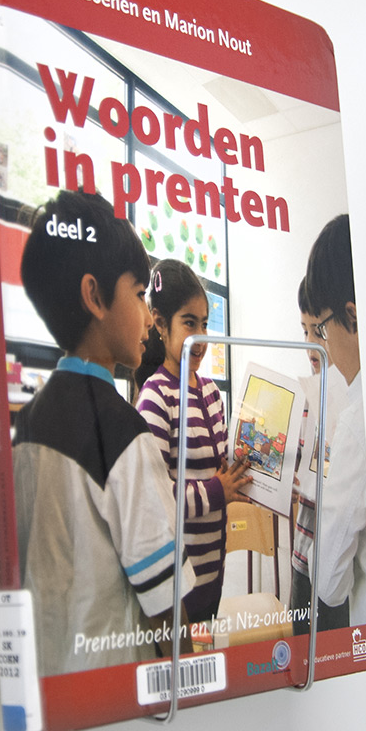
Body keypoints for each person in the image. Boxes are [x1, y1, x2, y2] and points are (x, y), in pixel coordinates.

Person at [12, 190, 192, 676]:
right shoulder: (123, 434)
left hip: (50, 680)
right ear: (95, 296)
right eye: (139, 295)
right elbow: (167, 608)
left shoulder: (26, 424)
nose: (149, 320)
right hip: (117, 686)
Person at [134, 259, 251, 626]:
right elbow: (154, 498)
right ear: (159, 323)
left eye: (204, 324)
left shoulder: (212, 392)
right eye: (189, 323)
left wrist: (262, 471)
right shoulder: (155, 398)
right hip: (178, 589)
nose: (201, 336)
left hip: (213, 578)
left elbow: (223, 467)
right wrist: (218, 490)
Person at [289, 214, 366, 631]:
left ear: (352, 318)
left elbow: (329, 580)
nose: (317, 343)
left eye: (320, 328)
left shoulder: (359, 421)